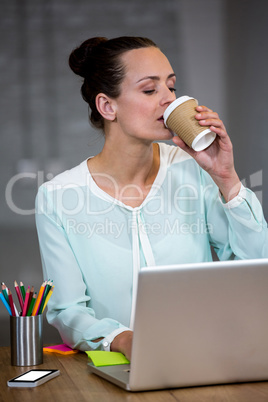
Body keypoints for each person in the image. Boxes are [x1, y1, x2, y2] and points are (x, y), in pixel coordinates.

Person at [35, 36, 268, 361]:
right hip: (118, 368)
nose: (169, 100)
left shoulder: (194, 169)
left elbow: (257, 269)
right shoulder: (58, 197)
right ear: (107, 106)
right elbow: (67, 311)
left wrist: (226, 178)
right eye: (149, 89)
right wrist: (124, 339)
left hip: (205, 358)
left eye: (171, 87)